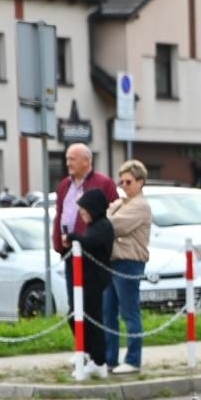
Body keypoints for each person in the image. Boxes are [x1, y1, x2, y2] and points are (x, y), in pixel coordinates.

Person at [51, 143, 117, 375]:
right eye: (67, 158)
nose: (68, 163)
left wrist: (77, 237)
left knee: (93, 312)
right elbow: (60, 213)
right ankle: (86, 352)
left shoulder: (103, 183)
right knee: (74, 308)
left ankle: (98, 358)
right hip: (71, 255)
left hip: (92, 259)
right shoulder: (64, 185)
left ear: (86, 161)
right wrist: (61, 242)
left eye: (73, 158)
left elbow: (110, 215)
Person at [105, 159, 153, 374]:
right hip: (112, 260)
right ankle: (110, 358)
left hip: (129, 263)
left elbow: (112, 226)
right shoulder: (122, 203)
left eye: (128, 181)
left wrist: (105, 218)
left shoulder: (140, 205)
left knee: (129, 313)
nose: (124, 185)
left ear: (141, 182)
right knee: (108, 312)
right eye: (121, 181)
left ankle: (133, 359)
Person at [67, 188, 114, 380]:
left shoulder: (103, 226)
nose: (82, 214)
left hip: (95, 280)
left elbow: (89, 240)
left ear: (93, 209)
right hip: (86, 280)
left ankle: (99, 361)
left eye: (84, 210)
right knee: (76, 316)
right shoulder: (95, 225)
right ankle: (88, 353)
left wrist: (72, 237)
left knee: (93, 320)